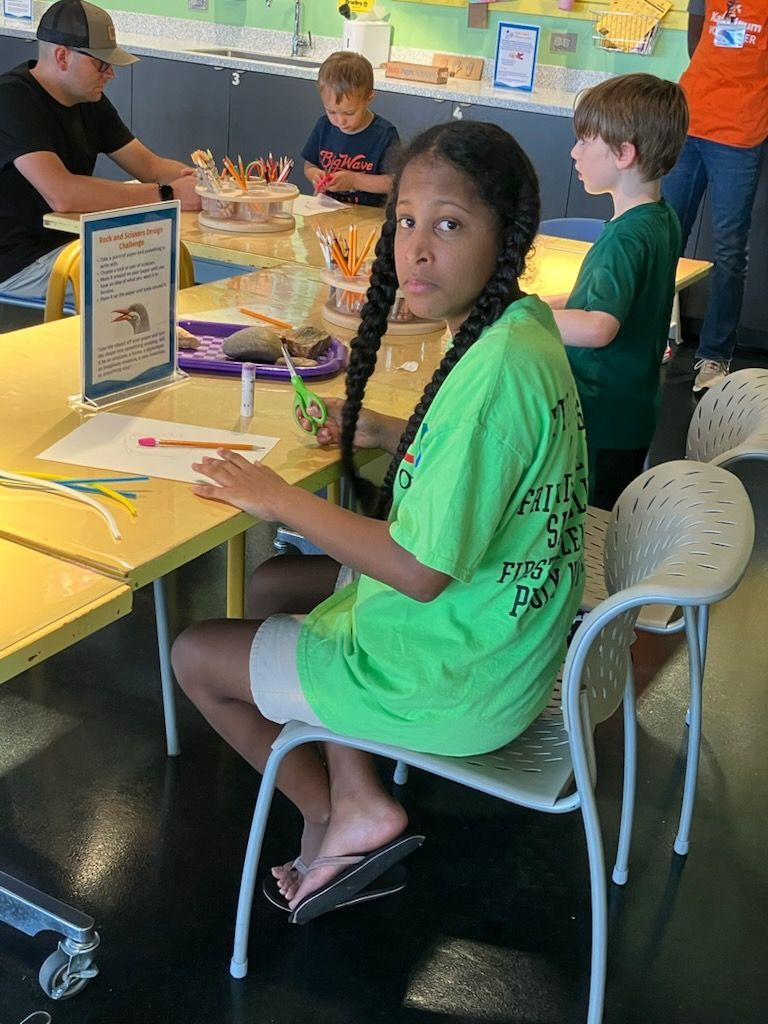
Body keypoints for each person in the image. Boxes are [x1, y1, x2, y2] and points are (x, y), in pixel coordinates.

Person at [171, 120, 588, 925]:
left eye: (450, 224)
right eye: (404, 221)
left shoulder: (494, 373)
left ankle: (331, 813)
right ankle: (359, 791)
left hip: (463, 673)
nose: (416, 249)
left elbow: (419, 572)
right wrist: (388, 435)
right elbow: (495, 468)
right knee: (275, 582)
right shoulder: (521, 329)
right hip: (510, 636)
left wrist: (277, 497)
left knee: (196, 653)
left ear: (507, 238)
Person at [545, 73, 688, 510]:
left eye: (585, 141)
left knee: (585, 527)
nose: (574, 151)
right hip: (632, 408)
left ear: (624, 154)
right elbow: (594, 303)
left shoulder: (624, 238)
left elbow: (599, 326)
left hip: (598, 414)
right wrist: (529, 304)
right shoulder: (662, 219)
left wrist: (525, 318)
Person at [0, 0, 200, 304]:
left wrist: (209, 185)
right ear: (62, 56)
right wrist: (168, 193)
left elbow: (151, 166)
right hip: (18, 263)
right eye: (101, 64)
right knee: (140, 276)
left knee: (168, 261)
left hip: (71, 244)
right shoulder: (11, 100)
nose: (110, 75)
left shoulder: (89, 99)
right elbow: (62, 194)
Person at [662, 0, 768, 393]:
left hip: (741, 134)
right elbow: (697, 32)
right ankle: (654, 337)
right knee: (666, 236)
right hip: (691, 123)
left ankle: (715, 355)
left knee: (728, 250)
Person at [301, 50, 399, 207]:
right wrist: (315, 175)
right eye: (331, 111)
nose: (340, 121)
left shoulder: (384, 134)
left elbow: (394, 181)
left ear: (369, 98)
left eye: (349, 112)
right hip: (325, 210)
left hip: (367, 216)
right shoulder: (324, 126)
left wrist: (354, 180)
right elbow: (309, 165)